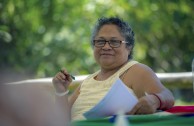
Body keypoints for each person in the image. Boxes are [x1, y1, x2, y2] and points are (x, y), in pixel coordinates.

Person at [52, 17, 174, 121]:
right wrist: (61, 91)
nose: (106, 47)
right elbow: (59, 119)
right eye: (100, 41)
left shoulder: (136, 71)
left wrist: (154, 100)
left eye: (114, 42)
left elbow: (167, 95)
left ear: (129, 47)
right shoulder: (88, 81)